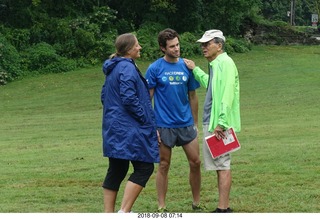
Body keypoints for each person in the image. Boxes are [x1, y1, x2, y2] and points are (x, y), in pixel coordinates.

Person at [145, 28, 204, 212]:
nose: (176, 49)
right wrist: (152, 126)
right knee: (163, 165)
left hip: (186, 123)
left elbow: (193, 96)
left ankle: (196, 202)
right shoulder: (154, 68)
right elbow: (148, 99)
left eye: (178, 45)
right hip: (164, 125)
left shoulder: (187, 66)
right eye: (172, 46)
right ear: (163, 48)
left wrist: (194, 123)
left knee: (196, 162)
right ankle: (162, 206)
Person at [101, 33, 159, 213]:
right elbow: (129, 98)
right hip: (129, 129)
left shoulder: (114, 68)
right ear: (128, 49)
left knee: (117, 168)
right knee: (145, 167)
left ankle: (108, 214)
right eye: (137, 45)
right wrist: (144, 118)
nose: (140, 47)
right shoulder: (126, 68)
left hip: (114, 127)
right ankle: (124, 212)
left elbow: (104, 96)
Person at [184, 29, 241, 213]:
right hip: (213, 122)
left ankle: (223, 209)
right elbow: (212, 85)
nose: (204, 47)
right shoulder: (217, 63)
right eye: (202, 44)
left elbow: (227, 94)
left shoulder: (225, 63)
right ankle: (222, 206)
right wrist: (196, 70)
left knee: (223, 164)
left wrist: (221, 123)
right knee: (219, 165)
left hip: (218, 124)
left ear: (219, 45)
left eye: (207, 44)